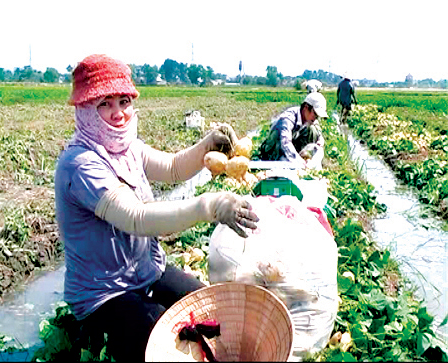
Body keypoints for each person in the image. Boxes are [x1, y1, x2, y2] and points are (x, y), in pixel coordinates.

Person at [54, 54, 259, 362]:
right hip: (103, 292)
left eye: (123, 101)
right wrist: (208, 205)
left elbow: (174, 168)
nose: (118, 113)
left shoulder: (128, 148)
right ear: (84, 109)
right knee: (158, 327)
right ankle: (99, 337)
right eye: (104, 104)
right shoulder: (81, 164)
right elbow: (135, 217)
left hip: (146, 271)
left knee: (208, 312)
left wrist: (207, 146)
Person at [257, 92, 328, 170]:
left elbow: (318, 133)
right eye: (315, 114)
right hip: (273, 152)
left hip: (289, 150)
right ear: (306, 108)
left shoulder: (308, 118)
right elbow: (285, 143)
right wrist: (299, 161)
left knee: (313, 130)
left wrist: (320, 141)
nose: (316, 118)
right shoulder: (287, 119)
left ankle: (299, 158)